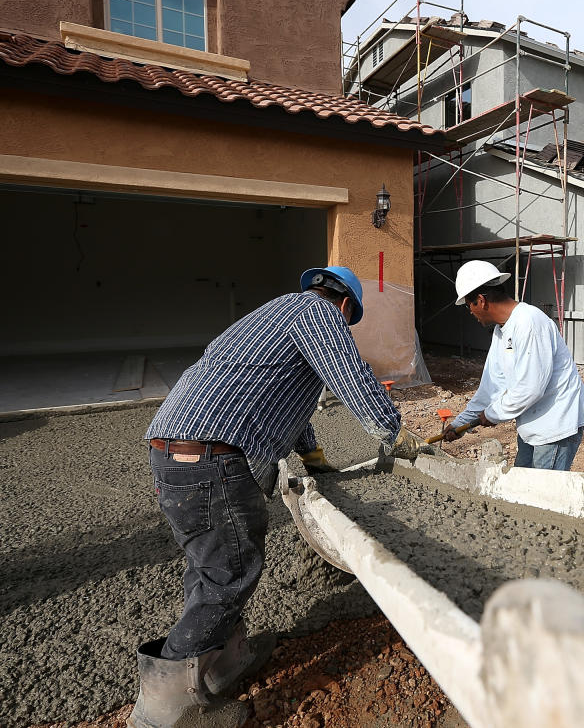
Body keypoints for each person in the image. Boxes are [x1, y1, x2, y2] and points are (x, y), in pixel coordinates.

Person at [130, 265, 428, 728]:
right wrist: (394, 433)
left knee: (209, 565)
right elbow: (353, 378)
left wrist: (313, 456)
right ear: (345, 304)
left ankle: (224, 664)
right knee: (227, 576)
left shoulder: (271, 317)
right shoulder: (318, 313)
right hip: (215, 458)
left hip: (174, 451)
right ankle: (164, 713)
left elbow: (287, 403)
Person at [443, 260, 584, 471]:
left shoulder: (529, 323)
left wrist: (493, 414)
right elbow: (492, 386)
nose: (470, 312)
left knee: (542, 495)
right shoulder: (501, 331)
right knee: (522, 482)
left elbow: (530, 388)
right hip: (532, 424)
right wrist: (460, 425)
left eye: (469, 306)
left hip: (555, 425)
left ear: (481, 300)